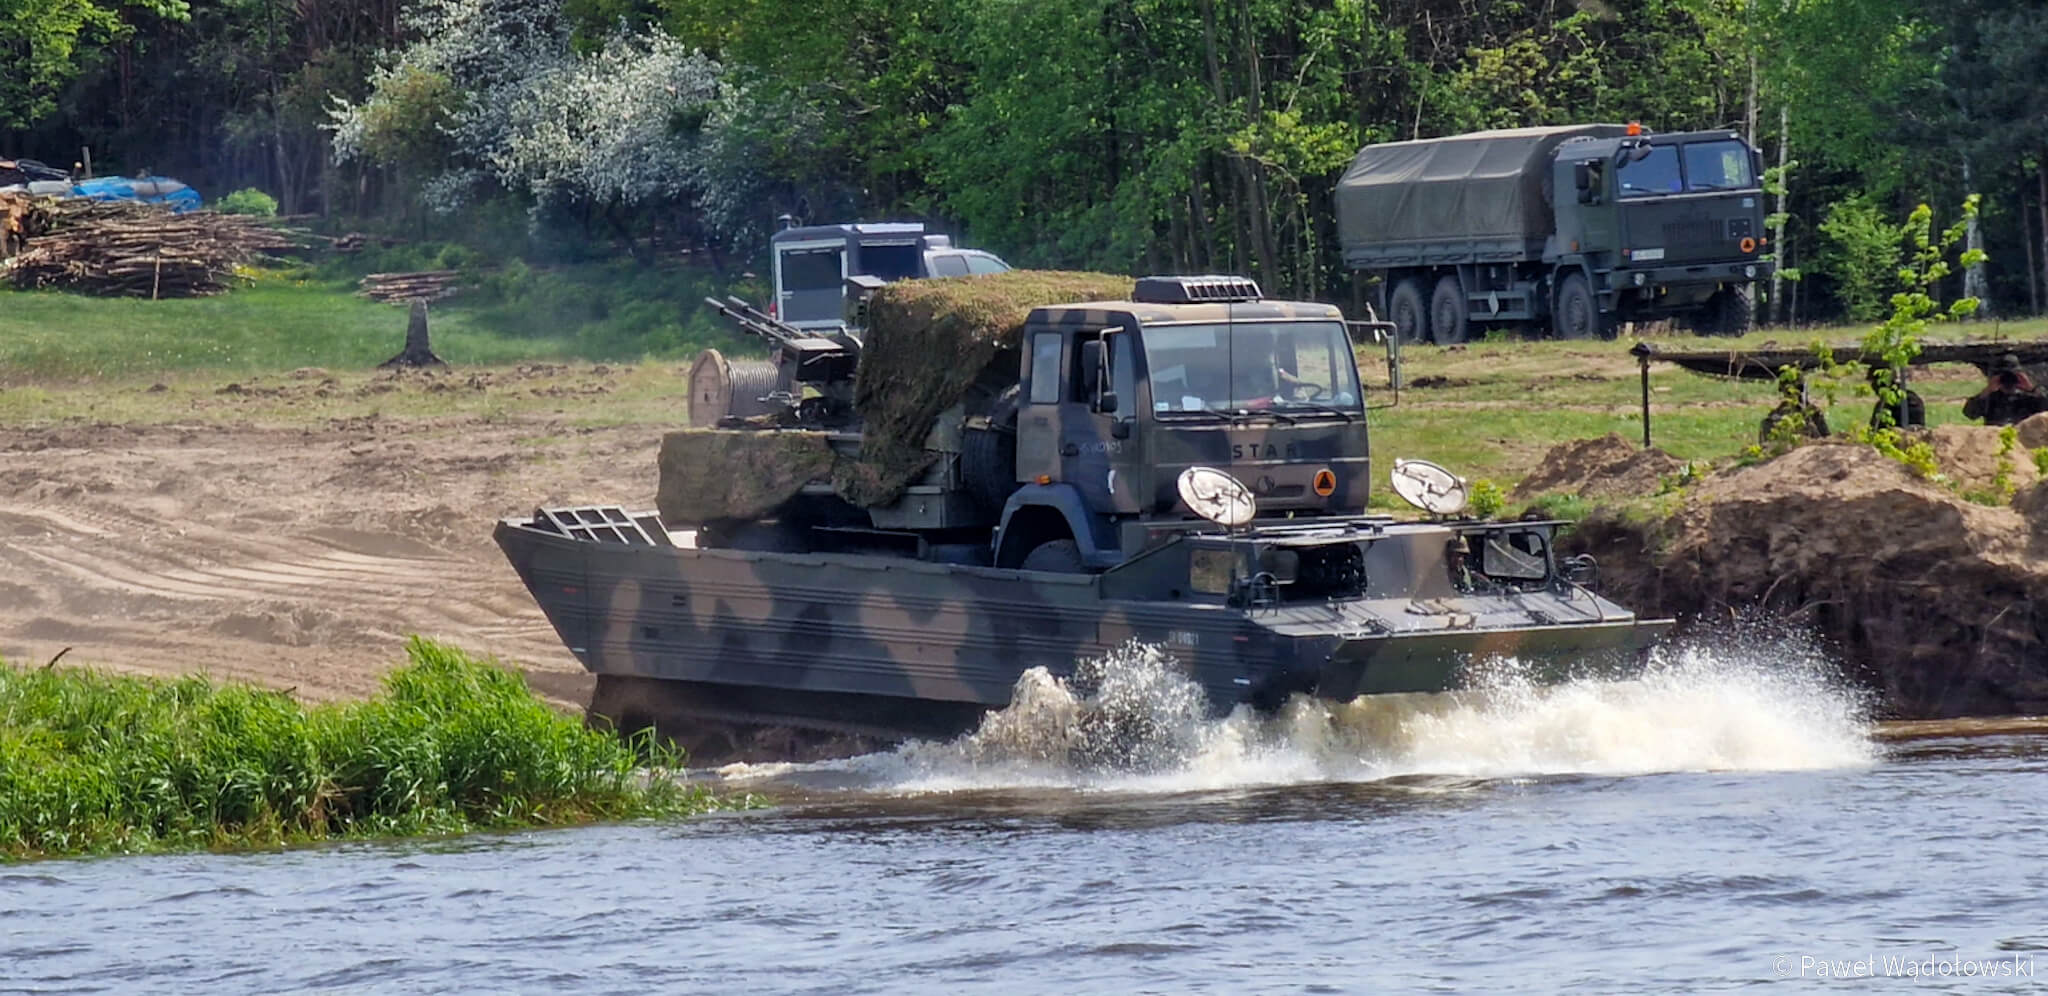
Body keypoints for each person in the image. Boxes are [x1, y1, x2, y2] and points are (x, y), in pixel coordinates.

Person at [1962, 354, 2048, 427]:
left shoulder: (2029, 398)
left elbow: (2045, 408)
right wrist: (1987, 391)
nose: (2008, 380)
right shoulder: (1990, 398)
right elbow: (1969, 413)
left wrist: (2031, 389)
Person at [1866, 366, 1925, 430]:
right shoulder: (1912, 397)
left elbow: (1875, 428)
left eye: (1873, 382)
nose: (1872, 387)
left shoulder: (1885, 404)